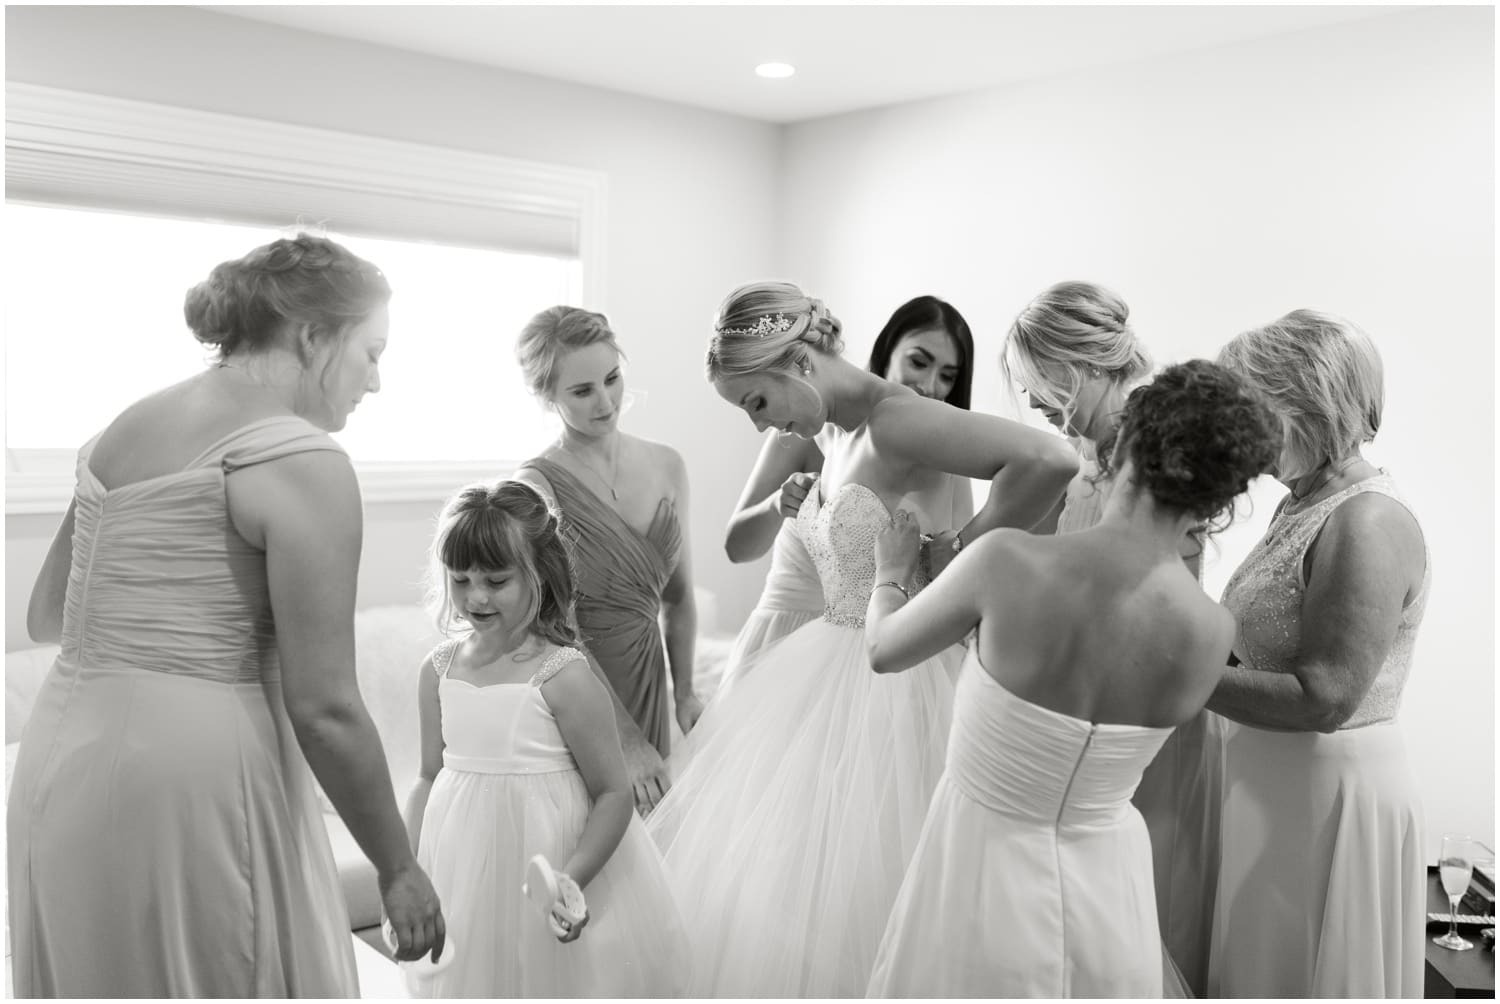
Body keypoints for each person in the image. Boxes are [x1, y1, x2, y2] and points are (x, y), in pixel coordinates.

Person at [8, 234, 444, 996]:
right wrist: (398, 865)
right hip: (194, 779)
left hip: (59, 760)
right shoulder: (301, 460)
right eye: (371, 353)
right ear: (312, 336)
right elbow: (327, 710)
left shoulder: (122, 428)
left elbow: (47, 617)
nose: (375, 382)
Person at [645, 280, 1077, 996]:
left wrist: (962, 550)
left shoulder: (895, 421)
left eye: (756, 401)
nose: (759, 424)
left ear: (797, 364)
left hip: (894, 688)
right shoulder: (833, 434)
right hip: (826, 677)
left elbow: (1051, 461)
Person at [863, 360, 1279, 997]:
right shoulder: (1210, 633)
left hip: (980, 868)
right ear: (1219, 497)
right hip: (1110, 892)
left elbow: (885, 650)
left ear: (1126, 448)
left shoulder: (1005, 561)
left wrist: (889, 574)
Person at [1002, 279, 1219, 994]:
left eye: (1036, 382)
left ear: (1075, 365)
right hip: (1078, 706)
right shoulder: (1091, 449)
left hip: (1125, 716)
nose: (1031, 402)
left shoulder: (1153, 454)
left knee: (1116, 915)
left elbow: (1165, 592)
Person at [1208, 310, 1430, 998]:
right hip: (1272, 786)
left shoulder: (1367, 520)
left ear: (1312, 402)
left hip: (1326, 797)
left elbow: (1325, 696)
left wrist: (1177, 670)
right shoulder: (1300, 504)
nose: (1243, 434)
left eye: (1256, 411)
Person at [403, 481, 688, 997]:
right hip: (464, 866)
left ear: (540, 572)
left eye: (496, 579)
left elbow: (613, 792)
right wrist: (405, 868)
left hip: (552, 856)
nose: (476, 596)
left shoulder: (564, 674)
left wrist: (570, 878)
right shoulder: (436, 670)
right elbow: (428, 774)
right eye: (461, 579)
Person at [716, 295, 976, 695]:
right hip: (790, 639)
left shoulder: (947, 454)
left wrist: (945, 555)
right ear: (887, 351)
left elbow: (952, 576)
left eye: (948, 375)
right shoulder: (805, 426)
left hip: (883, 650)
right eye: (919, 362)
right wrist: (776, 506)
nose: (929, 385)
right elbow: (737, 547)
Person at [514, 306, 696, 814]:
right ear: (546, 395)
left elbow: (678, 599)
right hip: (581, 703)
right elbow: (556, 630)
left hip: (652, 692)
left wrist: (684, 694)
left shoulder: (667, 465)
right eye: (582, 390)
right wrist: (626, 742)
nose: (606, 401)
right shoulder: (535, 486)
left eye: (612, 379)